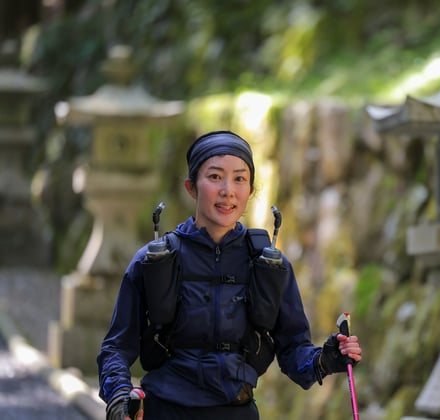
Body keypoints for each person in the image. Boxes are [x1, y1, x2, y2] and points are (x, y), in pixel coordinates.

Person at [97, 130, 363, 420]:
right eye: (214, 177)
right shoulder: (153, 261)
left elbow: (294, 352)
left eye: (239, 179)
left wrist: (326, 359)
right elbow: (116, 348)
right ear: (191, 187)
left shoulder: (270, 266)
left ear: (250, 191)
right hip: (164, 410)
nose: (228, 190)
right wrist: (119, 399)